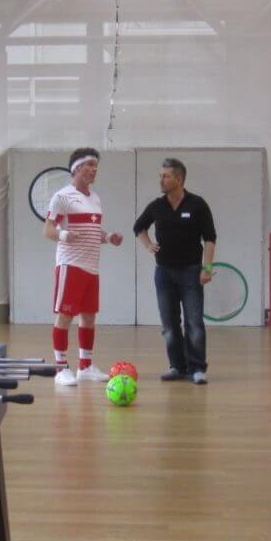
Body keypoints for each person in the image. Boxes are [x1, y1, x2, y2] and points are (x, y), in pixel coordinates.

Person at [43, 147, 123, 387]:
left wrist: (108, 237)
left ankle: (85, 367)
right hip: (71, 265)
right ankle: (60, 369)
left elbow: (93, 231)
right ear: (76, 168)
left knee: (88, 317)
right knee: (65, 316)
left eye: (96, 165)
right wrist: (64, 235)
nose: (94, 169)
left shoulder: (95, 198)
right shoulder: (62, 197)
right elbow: (48, 230)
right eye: (89, 165)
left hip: (91, 267)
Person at [133, 158, 217, 385]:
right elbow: (138, 227)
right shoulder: (157, 206)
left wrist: (207, 268)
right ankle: (177, 366)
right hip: (164, 273)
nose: (161, 180)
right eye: (160, 176)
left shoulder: (197, 204)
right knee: (169, 325)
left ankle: (197, 369)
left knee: (194, 323)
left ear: (179, 179)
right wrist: (148, 244)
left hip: (191, 272)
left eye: (166, 176)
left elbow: (210, 238)